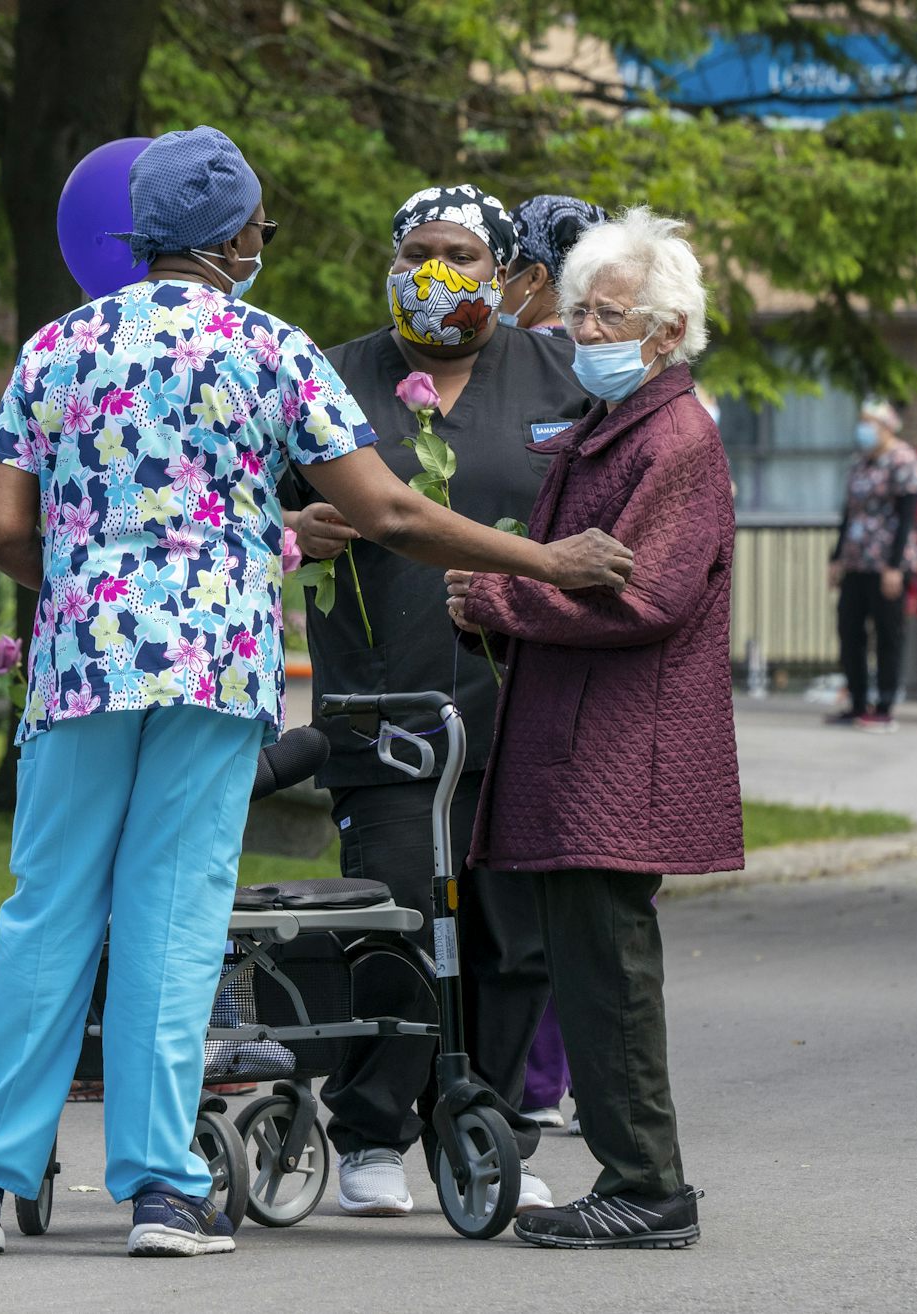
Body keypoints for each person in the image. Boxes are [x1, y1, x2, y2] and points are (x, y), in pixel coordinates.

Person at [0, 126, 633, 1259]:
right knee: (172, 913)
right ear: (238, 235)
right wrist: (548, 561)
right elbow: (392, 513)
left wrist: (102, 579)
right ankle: (160, 1189)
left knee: (48, 910)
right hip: (209, 669)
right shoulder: (269, 350)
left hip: (81, 667)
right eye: (261, 225)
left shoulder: (55, 348)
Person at [280, 183, 593, 1220]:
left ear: (504, 274)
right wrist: (297, 530)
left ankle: (488, 1128)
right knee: (396, 920)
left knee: (515, 937)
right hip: (386, 702)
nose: (438, 270)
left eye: (462, 253)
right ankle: (370, 1129)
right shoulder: (331, 374)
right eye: (419, 249)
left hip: (529, 709)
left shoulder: (559, 374)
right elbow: (249, 502)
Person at [446, 206, 733, 1249]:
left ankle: (648, 1186)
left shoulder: (675, 436)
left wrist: (500, 601)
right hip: (583, 743)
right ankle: (634, 1178)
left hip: (620, 749)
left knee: (608, 974)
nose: (584, 334)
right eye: (575, 314)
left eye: (608, 317)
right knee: (588, 966)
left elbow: (648, 598)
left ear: (666, 332)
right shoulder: (621, 422)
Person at [507, 193, 612, 1133]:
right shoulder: (502, 369)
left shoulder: (590, 380)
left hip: (563, 639)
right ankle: (544, 1079)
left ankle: (552, 1079)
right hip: (511, 642)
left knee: (557, 869)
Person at [829, 398, 917, 733]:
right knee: (849, 629)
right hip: (856, 560)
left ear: (887, 426)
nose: (864, 429)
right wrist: (835, 557)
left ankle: (884, 706)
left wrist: (895, 567)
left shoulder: (903, 460)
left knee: (887, 634)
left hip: (887, 563)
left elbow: (906, 517)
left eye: (870, 422)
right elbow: (847, 513)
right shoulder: (860, 463)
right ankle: (857, 701)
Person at [503, 195, 608, 334]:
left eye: (504, 273)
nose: (498, 286)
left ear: (535, 277)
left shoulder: (516, 350)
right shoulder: (593, 342)